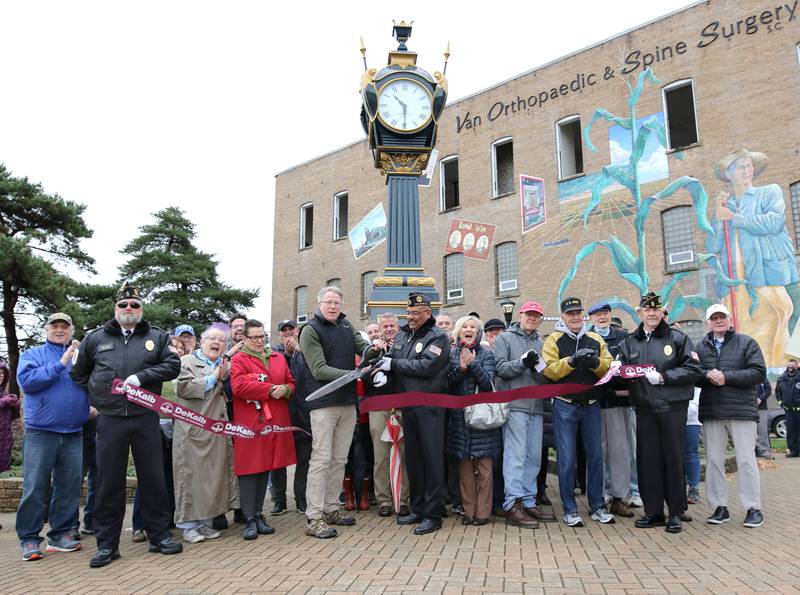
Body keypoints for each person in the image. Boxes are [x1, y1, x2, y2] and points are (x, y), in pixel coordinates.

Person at [71, 283, 183, 567]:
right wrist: (96, 400)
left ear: (141, 309)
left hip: (145, 416)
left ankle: (159, 536)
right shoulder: (95, 339)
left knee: (153, 478)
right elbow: (79, 374)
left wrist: (142, 377)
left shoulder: (156, 336)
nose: (128, 309)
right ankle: (107, 544)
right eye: (123, 305)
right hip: (109, 420)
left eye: (134, 305)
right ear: (116, 309)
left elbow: (172, 366)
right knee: (109, 481)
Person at [297, 287, 383, 539]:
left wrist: (375, 348)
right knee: (321, 459)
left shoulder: (346, 325)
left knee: (339, 459)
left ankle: (331, 508)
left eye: (337, 302)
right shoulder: (310, 330)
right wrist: (354, 375)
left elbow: (362, 350)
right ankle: (314, 516)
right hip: (323, 403)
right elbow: (319, 369)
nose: (333, 306)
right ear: (319, 303)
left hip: (347, 402)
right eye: (328, 302)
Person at [619, 292, 702, 534]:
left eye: (656, 309)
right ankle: (653, 511)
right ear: (639, 313)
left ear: (662, 312)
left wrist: (665, 377)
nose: (652, 313)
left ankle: (676, 512)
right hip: (644, 408)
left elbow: (694, 369)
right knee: (648, 462)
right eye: (647, 309)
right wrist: (616, 368)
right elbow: (623, 369)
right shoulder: (630, 342)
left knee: (673, 460)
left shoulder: (677, 338)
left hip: (672, 407)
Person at [707, 149, 798, 368]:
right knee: (746, 325)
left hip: (766, 272)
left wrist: (735, 218)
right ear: (729, 174)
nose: (747, 170)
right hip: (735, 280)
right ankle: (753, 369)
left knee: (778, 315)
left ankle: (781, 369)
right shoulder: (724, 206)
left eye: (749, 165)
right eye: (741, 166)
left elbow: (773, 222)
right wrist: (719, 217)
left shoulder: (769, 192)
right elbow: (713, 246)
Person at [15, 313, 90, 561]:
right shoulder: (32, 355)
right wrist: (60, 363)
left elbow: (94, 382)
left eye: (65, 327)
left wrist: (95, 404)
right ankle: (28, 538)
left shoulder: (81, 357)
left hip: (73, 431)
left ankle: (61, 535)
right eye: (55, 326)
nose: (60, 330)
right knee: (36, 486)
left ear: (72, 331)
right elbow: (27, 382)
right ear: (46, 329)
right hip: (41, 432)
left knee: (69, 487)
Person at [542, 297, 614, 528]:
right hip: (564, 404)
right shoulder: (553, 339)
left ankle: (597, 506)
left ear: (583, 315)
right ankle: (570, 509)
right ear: (562, 316)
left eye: (577, 313)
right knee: (566, 459)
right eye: (570, 314)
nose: (574, 317)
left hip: (591, 404)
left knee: (595, 457)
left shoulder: (595, 338)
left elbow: (610, 366)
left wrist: (595, 364)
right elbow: (549, 372)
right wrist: (571, 361)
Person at [383, 293, 451, 535]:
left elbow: (427, 366)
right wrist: (383, 365)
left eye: (415, 313)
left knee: (432, 459)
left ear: (427, 314)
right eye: (408, 312)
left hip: (431, 407)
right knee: (414, 459)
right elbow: (393, 358)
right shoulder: (402, 334)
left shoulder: (439, 337)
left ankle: (433, 514)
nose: (410, 317)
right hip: (408, 405)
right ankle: (418, 508)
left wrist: (393, 365)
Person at [696, 303, 767, 528]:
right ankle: (719, 507)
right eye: (714, 317)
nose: (718, 321)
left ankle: (753, 507)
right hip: (712, 412)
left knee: (746, 460)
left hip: (741, 411)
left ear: (729, 319)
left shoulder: (747, 343)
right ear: (707, 322)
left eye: (722, 317)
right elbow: (693, 374)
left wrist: (727, 377)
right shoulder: (701, 347)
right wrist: (707, 374)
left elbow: (758, 372)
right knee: (714, 461)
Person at [230, 319, 296, 539]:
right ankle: (248, 518)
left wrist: (285, 390)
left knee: (265, 466)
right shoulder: (239, 359)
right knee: (249, 469)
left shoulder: (276, 357)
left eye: (262, 336)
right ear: (245, 339)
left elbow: (291, 382)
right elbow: (238, 386)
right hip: (250, 422)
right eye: (254, 337)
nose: (259, 341)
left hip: (274, 421)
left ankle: (259, 515)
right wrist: (269, 389)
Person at [493, 301, 553, 528]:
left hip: (536, 407)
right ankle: (512, 503)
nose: (532, 318)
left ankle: (529, 501)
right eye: (529, 314)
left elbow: (545, 377)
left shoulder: (542, 342)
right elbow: (500, 369)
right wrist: (521, 363)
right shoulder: (505, 339)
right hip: (515, 405)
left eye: (536, 316)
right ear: (521, 315)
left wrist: (540, 371)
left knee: (534, 458)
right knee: (515, 457)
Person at [173, 323, 235, 543]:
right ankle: (188, 526)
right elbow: (183, 388)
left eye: (222, 340)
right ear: (202, 341)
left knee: (212, 478)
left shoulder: (224, 365)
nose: (217, 343)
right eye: (213, 339)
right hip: (192, 432)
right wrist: (213, 377)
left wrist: (224, 377)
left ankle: (205, 523)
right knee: (189, 478)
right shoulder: (187, 361)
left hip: (216, 432)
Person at [446, 316, 501, 526]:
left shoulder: (486, 353)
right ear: (458, 331)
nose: (469, 330)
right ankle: (469, 511)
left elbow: (488, 384)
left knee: (485, 469)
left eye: (473, 327)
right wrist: (460, 369)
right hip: (459, 419)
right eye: (465, 327)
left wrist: (473, 363)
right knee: (465, 469)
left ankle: (483, 513)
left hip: (482, 418)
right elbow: (448, 384)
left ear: (477, 333)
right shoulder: (451, 353)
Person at [587, 301, 634, 518]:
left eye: (605, 313)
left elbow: (632, 364)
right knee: (597, 452)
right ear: (591, 318)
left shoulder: (623, 337)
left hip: (617, 401)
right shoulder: (585, 338)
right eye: (598, 315)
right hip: (592, 402)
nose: (602, 317)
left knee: (619, 451)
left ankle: (619, 496)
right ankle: (599, 495)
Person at [365, 312, 411, 517]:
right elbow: (361, 375)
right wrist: (372, 364)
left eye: (393, 325)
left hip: (401, 407)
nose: (389, 329)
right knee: (380, 456)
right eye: (385, 326)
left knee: (403, 455)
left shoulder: (406, 347)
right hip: (378, 407)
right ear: (380, 330)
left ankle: (403, 500)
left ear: (398, 328)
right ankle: (384, 500)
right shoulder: (371, 350)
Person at [270, 318, 309, 514]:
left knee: (304, 458)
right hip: (280, 414)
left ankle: (301, 498)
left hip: (303, 414)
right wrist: (287, 354)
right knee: (278, 459)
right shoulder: (273, 353)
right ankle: (279, 500)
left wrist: (299, 351)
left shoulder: (306, 351)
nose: (288, 333)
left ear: (297, 331)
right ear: (279, 335)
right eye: (283, 331)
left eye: (291, 329)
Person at [776, 359, 800, 458]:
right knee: (791, 432)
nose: (790, 368)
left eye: (792, 366)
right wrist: (782, 404)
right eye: (789, 366)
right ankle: (793, 451)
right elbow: (778, 393)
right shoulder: (781, 379)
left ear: (797, 366)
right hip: (789, 411)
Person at [0, 361, 20, 475]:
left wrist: (15, 404)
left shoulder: (4, 392)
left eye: (2, 373)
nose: (0, 376)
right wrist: (4, 402)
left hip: (4, 440)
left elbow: (13, 418)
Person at [685, 388, 702, 505]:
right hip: (671, 418)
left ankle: (693, 489)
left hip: (691, 421)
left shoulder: (695, 375)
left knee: (691, 453)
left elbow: (695, 402)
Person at [755, 380, 773, 459]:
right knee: (750, 431)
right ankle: (754, 451)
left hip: (761, 408)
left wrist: (760, 398)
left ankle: (764, 450)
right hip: (747, 408)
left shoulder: (762, 378)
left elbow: (768, 390)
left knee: (762, 430)